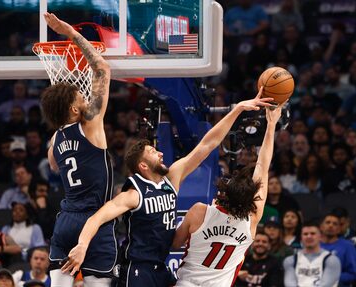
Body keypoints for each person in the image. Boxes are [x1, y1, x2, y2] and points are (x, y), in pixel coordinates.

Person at [58, 88, 274, 287]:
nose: (161, 153)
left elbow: (207, 145)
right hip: (138, 267)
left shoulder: (172, 179)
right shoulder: (134, 194)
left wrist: (236, 110)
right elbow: (97, 217)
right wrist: (82, 245)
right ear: (143, 166)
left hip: (160, 266)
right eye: (153, 152)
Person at [40, 12, 115, 287]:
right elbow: (102, 68)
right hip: (93, 220)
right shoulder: (91, 124)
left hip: (66, 220)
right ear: (74, 109)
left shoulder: (56, 140)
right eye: (80, 96)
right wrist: (69, 31)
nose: (85, 96)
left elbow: (55, 165)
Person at [172, 104, 282, 287]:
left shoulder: (199, 211)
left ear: (224, 192)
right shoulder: (252, 219)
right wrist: (271, 125)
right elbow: (262, 168)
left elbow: (175, 245)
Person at [283, 221, 341, 287]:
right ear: (301, 238)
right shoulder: (291, 260)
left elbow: (325, 285)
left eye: (313, 233)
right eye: (305, 234)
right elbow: (289, 284)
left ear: (320, 237)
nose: (309, 236)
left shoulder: (331, 260)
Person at [320, 213, 356, 287]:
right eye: (327, 222)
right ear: (321, 227)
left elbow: (352, 274)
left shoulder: (348, 246)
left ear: (339, 229)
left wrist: (332, 278)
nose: (330, 225)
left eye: (335, 224)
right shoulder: (314, 245)